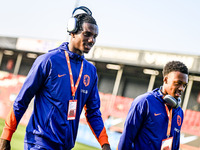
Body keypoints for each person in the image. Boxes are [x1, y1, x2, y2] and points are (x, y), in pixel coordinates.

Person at [0, 6, 111, 150]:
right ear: (72, 32)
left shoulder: (91, 71)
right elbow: (22, 100)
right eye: (87, 34)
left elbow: (93, 112)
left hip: (65, 146)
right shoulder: (48, 61)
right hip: (39, 143)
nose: (91, 40)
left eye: (95, 36)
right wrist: (6, 136)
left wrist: (105, 144)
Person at [118, 61, 189, 150]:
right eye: (178, 83)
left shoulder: (179, 112)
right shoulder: (144, 102)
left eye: (184, 85)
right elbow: (126, 138)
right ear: (166, 80)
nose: (181, 89)